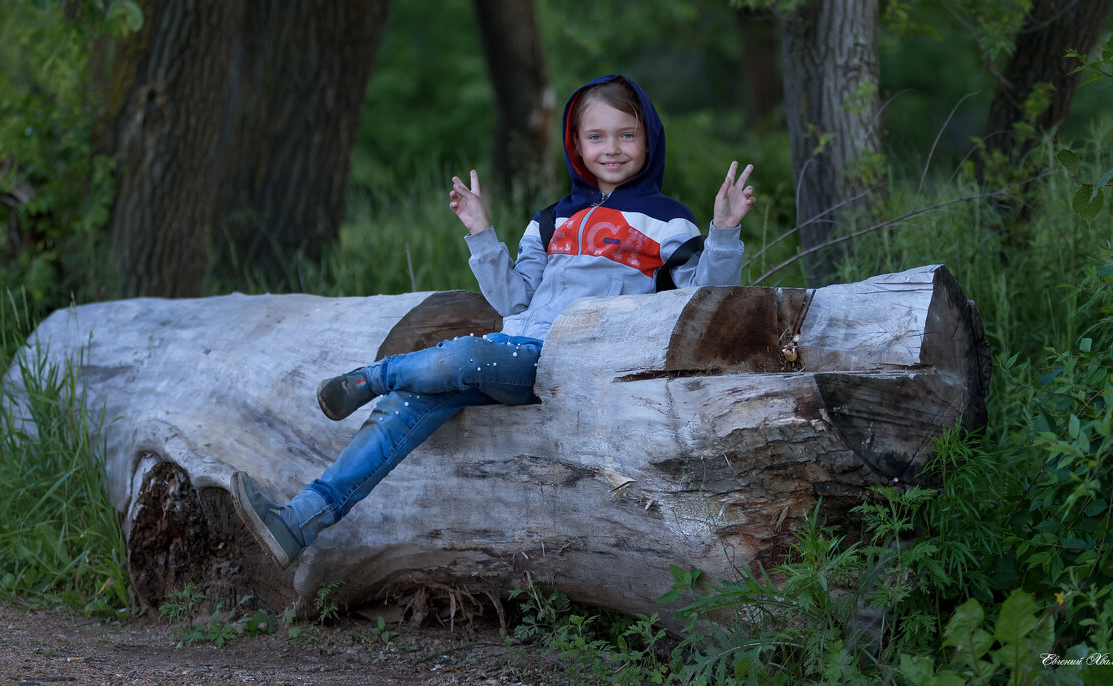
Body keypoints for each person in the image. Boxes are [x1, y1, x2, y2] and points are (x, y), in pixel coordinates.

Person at [231, 74, 756, 569]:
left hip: (579, 362)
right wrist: (482, 233)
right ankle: (299, 522)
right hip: (517, 352)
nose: (612, 148)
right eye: (596, 136)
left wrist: (725, 231)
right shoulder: (551, 219)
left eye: (626, 135)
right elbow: (515, 299)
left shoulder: (667, 220)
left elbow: (704, 297)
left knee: (464, 355)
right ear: (576, 143)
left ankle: (376, 375)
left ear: (649, 139)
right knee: (408, 407)